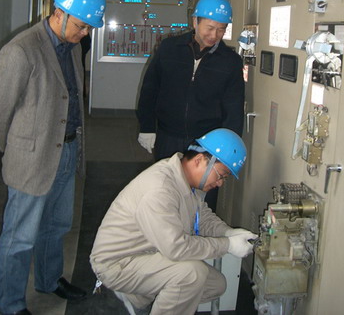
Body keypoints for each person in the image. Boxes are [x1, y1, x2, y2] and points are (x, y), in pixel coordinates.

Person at [0, 0, 106, 315]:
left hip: (67, 151)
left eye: (88, 28)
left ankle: (49, 280)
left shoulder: (73, 47)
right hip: (32, 159)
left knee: (57, 226)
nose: (85, 34)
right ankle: (11, 304)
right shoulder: (21, 50)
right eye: (81, 26)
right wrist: (16, 149)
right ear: (59, 13)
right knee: (20, 237)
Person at [90, 127, 257, 315]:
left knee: (215, 285)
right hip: (118, 262)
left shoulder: (187, 179)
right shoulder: (159, 189)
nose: (220, 183)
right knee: (192, 275)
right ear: (199, 160)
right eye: (221, 175)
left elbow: (202, 216)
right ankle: (124, 289)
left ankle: (135, 296)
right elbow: (176, 248)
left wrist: (227, 232)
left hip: (150, 251)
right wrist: (227, 245)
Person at [137, 0, 244, 162]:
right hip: (168, 137)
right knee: (167, 179)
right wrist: (147, 127)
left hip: (207, 143)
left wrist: (229, 146)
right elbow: (150, 89)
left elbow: (234, 110)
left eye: (221, 29)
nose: (214, 35)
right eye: (210, 28)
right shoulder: (169, 49)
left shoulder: (231, 62)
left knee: (200, 181)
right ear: (195, 21)